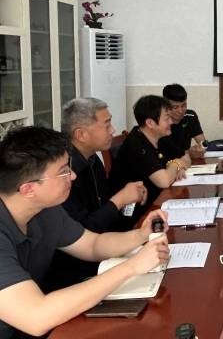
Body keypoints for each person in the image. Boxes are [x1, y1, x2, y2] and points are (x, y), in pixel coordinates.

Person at [0, 126, 169, 338]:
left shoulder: (44, 209)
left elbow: (92, 245)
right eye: (63, 171)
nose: (72, 175)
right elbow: (37, 317)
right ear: (28, 189)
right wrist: (132, 266)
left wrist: (141, 235)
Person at [44, 98, 149, 291]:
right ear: (81, 134)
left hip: (101, 250)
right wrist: (120, 199)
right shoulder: (61, 176)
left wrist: (129, 199)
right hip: (73, 272)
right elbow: (84, 230)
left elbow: (103, 213)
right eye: (106, 124)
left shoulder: (92, 159)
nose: (113, 130)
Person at [110, 95, 191, 221]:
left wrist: (177, 165)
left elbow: (186, 158)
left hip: (157, 201)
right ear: (150, 123)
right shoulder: (136, 144)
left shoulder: (160, 137)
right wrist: (176, 164)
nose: (171, 121)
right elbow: (164, 181)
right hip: (134, 215)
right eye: (167, 118)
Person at [161, 83, 207, 158]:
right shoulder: (159, 121)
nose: (180, 111)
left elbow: (203, 142)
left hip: (186, 160)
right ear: (165, 106)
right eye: (175, 107)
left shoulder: (190, 116)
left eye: (183, 105)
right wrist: (188, 153)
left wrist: (201, 148)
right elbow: (163, 152)